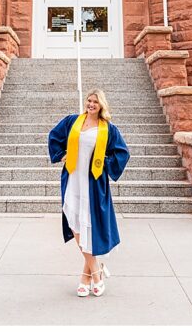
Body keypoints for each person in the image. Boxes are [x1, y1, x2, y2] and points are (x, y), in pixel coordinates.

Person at [49, 89, 130, 296]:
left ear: (101, 105)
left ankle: (87, 275)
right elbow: (54, 136)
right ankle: (97, 269)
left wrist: (105, 163)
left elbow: (122, 152)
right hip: (73, 179)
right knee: (74, 221)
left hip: (93, 182)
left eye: (95, 101)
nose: (91, 104)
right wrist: (60, 155)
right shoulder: (73, 121)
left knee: (88, 224)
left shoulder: (108, 129)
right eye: (89, 100)